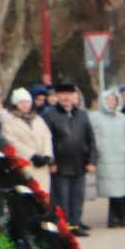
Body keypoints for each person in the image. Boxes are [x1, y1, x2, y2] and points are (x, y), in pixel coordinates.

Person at [42, 81, 96, 236]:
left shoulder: (82, 115)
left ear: (74, 96)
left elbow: (91, 139)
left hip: (80, 162)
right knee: (61, 197)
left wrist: (92, 160)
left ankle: (75, 223)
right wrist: (51, 161)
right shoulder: (49, 115)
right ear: (57, 96)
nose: (66, 97)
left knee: (78, 196)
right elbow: (46, 140)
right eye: (62, 94)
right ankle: (63, 226)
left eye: (69, 94)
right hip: (60, 164)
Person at [88, 89, 125, 228]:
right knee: (111, 188)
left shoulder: (121, 117)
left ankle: (116, 216)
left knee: (119, 188)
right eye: (109, 100)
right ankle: (118, 216)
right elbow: (92, 136)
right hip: (105, 156)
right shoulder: (95, 117)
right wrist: (99, 148)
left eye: (114, 100)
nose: (111, 102)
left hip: (120, 156)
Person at [0, 87, 54, 192]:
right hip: (24, 166)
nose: (25, 105)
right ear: (15, 103)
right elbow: (12, 142)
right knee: (28, 199)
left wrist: (47, 155)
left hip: (42, 167)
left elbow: (47, 137)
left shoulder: (38, 119)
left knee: (43, 198)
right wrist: (32, 155)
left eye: (27, 102)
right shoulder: (9, 121)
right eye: (21, 102)